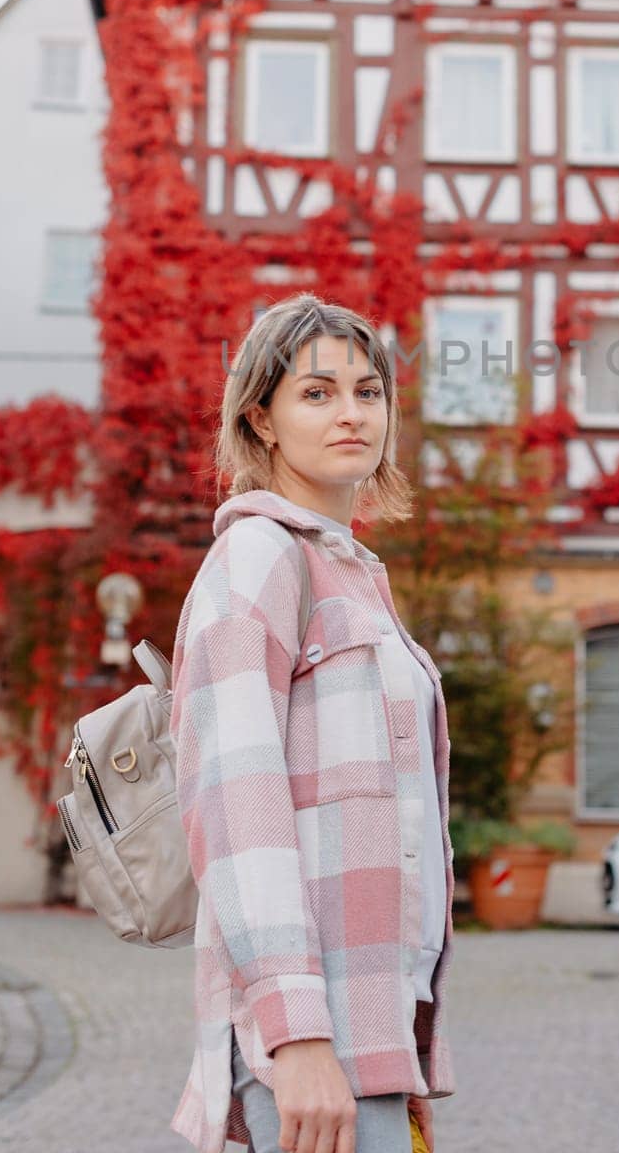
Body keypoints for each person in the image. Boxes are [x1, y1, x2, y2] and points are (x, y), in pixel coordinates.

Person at [169, 293, 455, 1153]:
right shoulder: (259, 560)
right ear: (262, 418)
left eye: (369, 393)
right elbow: (238, 812)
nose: (352, 413)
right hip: (306, 1038)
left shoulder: (355, 575)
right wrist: (297, 1042)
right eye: (318, 392)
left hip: (370, 1032)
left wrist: (399, 1049)